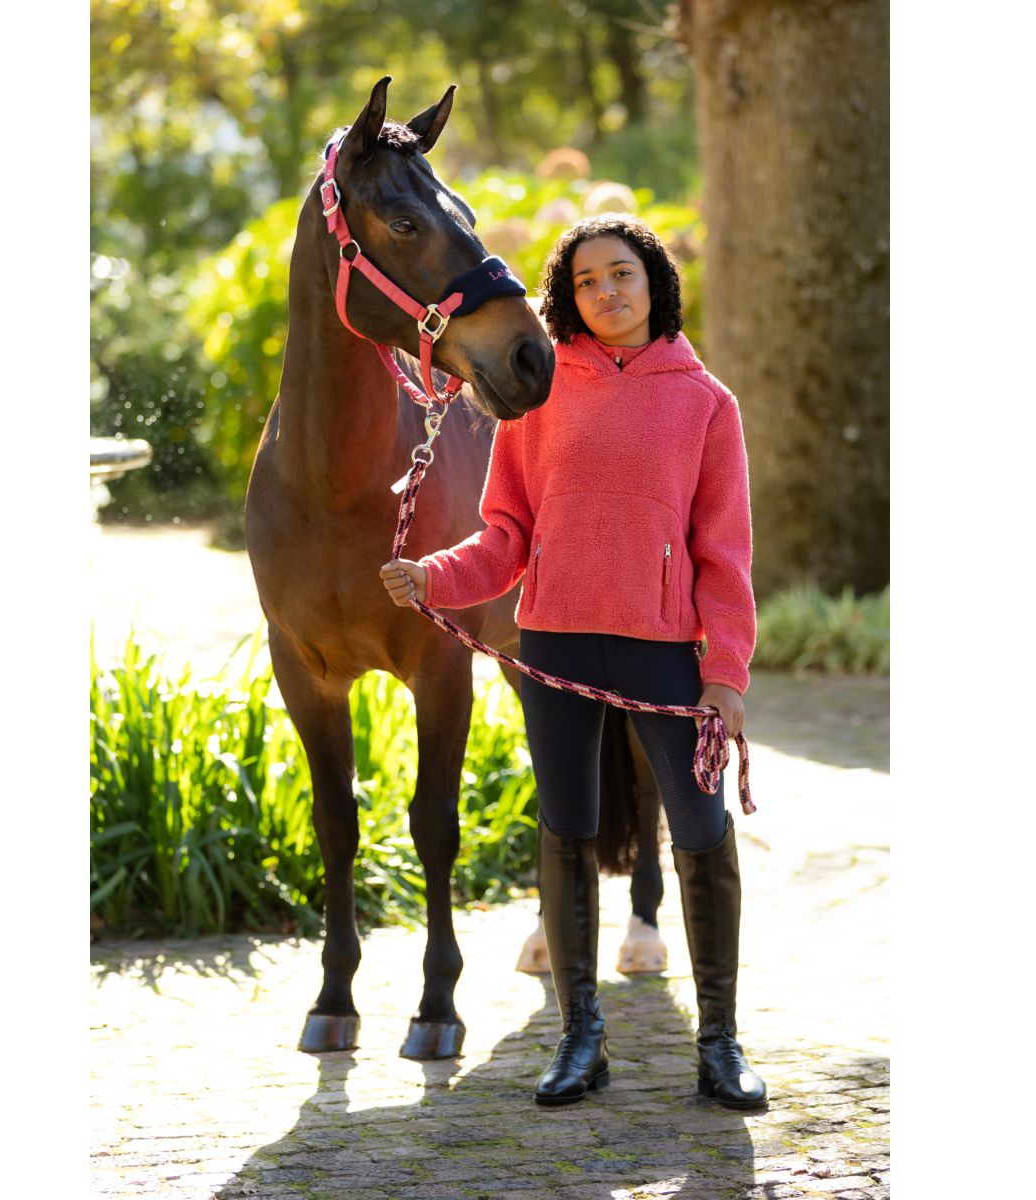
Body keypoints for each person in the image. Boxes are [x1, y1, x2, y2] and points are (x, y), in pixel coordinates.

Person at [380, 213, 766, 1110]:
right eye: (586, 280)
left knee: (701, 830)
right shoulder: (540, 395)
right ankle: (579, 1036)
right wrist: (435, 576)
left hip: (664, 653)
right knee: (566, 829)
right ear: (569, 296)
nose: (606, 291)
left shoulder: (707, 404)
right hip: (554, 645)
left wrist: (726, 673)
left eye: (621, 272)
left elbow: (725, 556)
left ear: (653, 279)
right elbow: (505, 535)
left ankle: (719, 1043)